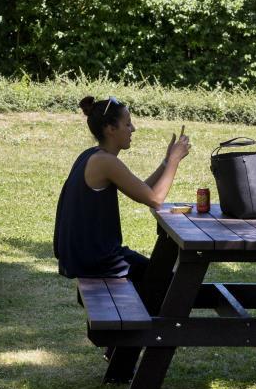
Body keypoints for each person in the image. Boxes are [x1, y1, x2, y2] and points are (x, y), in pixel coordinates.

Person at [53, 95, 191, 301]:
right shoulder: (105, 162)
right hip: (98, 262)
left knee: (164, 282)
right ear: (110, 129)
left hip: (89, 257)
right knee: (170, 287)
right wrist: (174, 160)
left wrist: (166, 161)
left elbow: (143, 191)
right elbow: (155, 199)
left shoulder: (92, 155)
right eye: (127, 124)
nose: (133, 129)